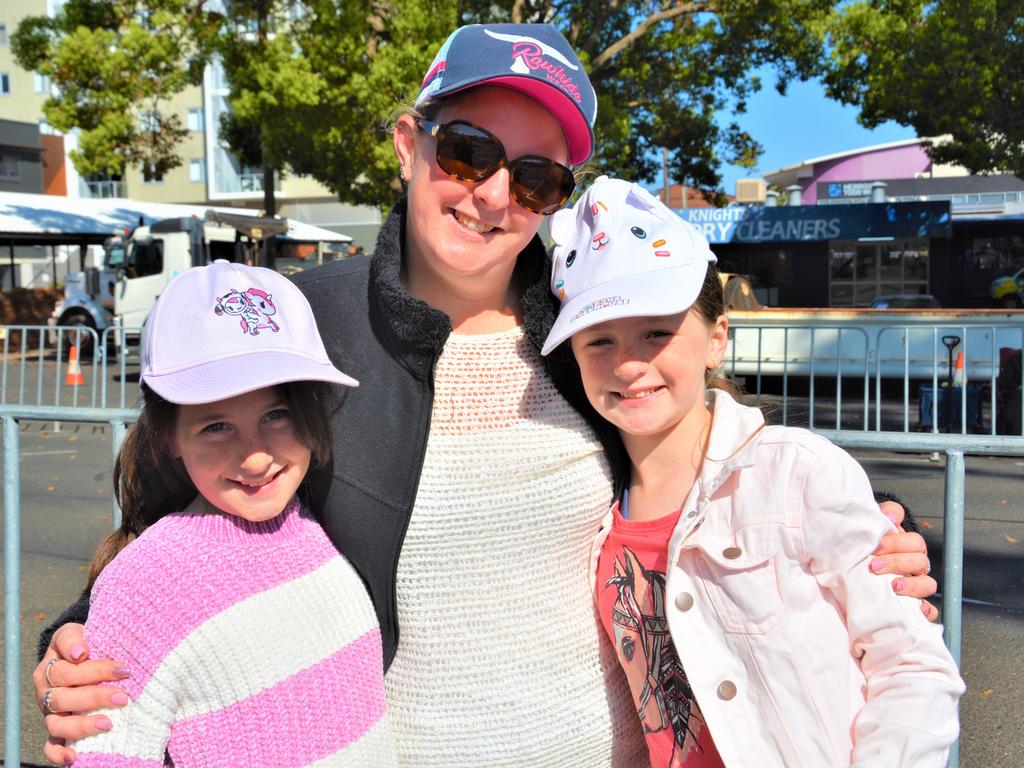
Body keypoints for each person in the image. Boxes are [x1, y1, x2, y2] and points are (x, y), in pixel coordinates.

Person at [33, 23, 938, 767]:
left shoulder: (591, 325)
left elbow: (712, 472)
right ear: (406, 143)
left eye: (537, 177)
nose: (496, 195)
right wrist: (80, 641)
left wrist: (879, 533)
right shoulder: (305, 323)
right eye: (468, 152)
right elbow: (171, 514)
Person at [540, 176, 965, 766]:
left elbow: (910, 664)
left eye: (657, 332)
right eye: (599, 341)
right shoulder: (592, 515)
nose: (630, 364)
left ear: (717, 339)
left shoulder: (797, 473)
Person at [57, 260, 396, 766]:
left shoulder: (310, 523)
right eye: (215, 426)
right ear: (168, 435)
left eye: (275, 414)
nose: (256, 456)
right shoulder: (144, 584)